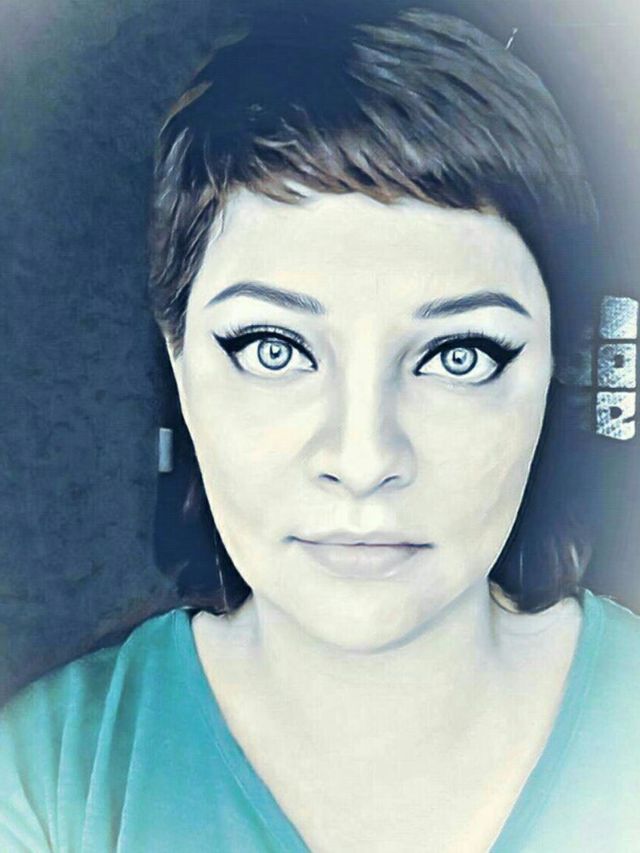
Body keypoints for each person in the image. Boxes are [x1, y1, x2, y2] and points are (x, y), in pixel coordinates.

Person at [2, 3, 639, 851]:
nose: (364, 457)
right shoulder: (44, 781)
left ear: (558, 368)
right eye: (274, 349)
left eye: (458, 356)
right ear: (179, 364)